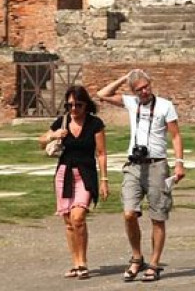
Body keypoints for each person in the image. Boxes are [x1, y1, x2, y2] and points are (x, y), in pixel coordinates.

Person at [97, 70, 185, 282]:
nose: (144, 91)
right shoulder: (131, 102)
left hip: (157, 165)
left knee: (158, 217)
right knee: (129, 213)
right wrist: (123, 77)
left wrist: (179, 163)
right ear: (132, 91)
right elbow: (102, 94)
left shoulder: (165, 105)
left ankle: (154, 264)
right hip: (134, 166)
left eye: (146, 86)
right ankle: (137, 257)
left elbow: (175, 135)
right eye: (139, 89)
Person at [39, 86, 108, 280]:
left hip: (86, 174)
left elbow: (101, 153)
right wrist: (53, 135)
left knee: (78, 217)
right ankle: (75, 263)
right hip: (64, 173)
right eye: (69, 105)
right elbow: (41, 140)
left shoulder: (95, 124)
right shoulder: (62, 122)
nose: (74, 109)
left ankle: (83, 262)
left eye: (78, 104)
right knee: (69, 222)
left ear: (86, 105)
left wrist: (104, 180)